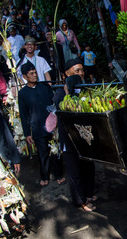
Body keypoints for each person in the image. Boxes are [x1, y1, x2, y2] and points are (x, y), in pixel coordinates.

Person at [53, 58, 97, 211]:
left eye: (82, 70)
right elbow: (62, 112)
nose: (81, 73)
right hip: (69, 138)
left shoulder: (84, 88)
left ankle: (89, 193)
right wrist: (67, 95)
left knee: (88, 167)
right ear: (66, 73)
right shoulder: (59, 92)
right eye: (76, 70)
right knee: (75, 170)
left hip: (85, 137)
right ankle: (81, 200)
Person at [18, 61, 65, 186]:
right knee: (43, 154)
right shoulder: (22, 93)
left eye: (35, 72)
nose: (35, 75)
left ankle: (59, 175)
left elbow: (54, 103)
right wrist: (27, 133)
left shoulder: (44, 87)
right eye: (31, 73)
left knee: (55, 151)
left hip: (51, 126)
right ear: (24, 76)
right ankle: (45, 176)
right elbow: (23, 114)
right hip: (37, 128)